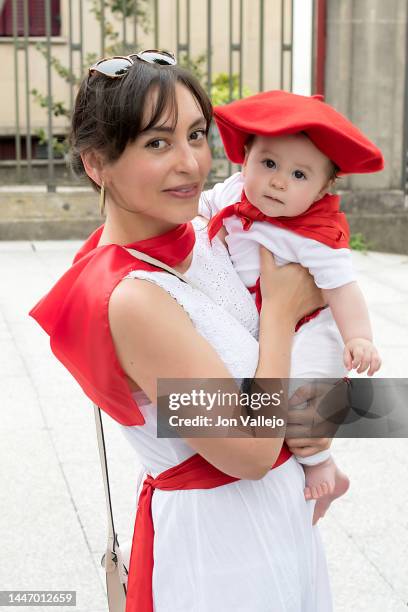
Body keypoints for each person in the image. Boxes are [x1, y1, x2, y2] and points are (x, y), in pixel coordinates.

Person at [29, 52, 337, 611]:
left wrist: (319, 427)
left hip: (279, 520)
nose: (191, 163)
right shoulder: (133, 298)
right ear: (97, 163)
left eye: (197, 134)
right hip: (224, 549)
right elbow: (249, 451)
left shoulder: (203, 232)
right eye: (156, 143)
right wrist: (280, 315)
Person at [201, 89, 383, 506]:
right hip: (266, 315)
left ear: (322, 191)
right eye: (268, 164)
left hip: (310, 327)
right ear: (243, 159)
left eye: (300, 175)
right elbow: (204, 208)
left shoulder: (316, 235)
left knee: (303, 405)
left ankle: (322, 466)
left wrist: (360, 337)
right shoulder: (232, 194)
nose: (279, 181)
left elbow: (342, 289)